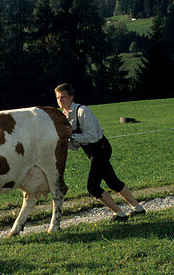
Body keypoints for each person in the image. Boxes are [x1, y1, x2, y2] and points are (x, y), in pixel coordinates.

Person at [55, 83, 145, 221]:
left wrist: (71, 135)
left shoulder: (82, 111)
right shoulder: (64, 116)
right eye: (58, 98)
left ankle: (119, 214)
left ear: (71, 97)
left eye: (63, 97)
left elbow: (92, 136)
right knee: (112, 182)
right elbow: (74, 145)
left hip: (101, 148)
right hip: (91, 153)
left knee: (92, 187)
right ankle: (138, 209)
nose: (60, 101)